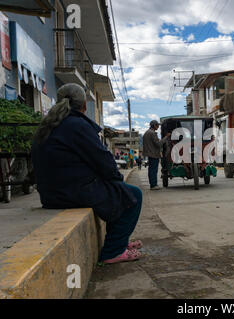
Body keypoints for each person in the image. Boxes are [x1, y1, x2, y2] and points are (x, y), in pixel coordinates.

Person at [31, 83, 143, 264]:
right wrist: (117, 179)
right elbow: (103, 160)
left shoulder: (49, 125)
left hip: (51, 194)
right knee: (132, 196)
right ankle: (114, 250)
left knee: (118, 194)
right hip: (71, 192)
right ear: (83, 105)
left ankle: (120, 242)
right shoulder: (77, 124)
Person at [142, 120, 170, 190]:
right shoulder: (152, 133)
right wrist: (166, 137)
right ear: (154, 125)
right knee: (153, 170)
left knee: (151, 170)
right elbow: (159, 144)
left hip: (150, 154)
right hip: (154, 154)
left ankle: (153, 184)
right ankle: (153, 185)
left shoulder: (146, 133)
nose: (158, 127)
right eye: (157, 125)